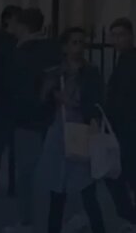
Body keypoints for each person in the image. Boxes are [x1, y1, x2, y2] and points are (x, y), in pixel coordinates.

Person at [39, 27, 105, 233]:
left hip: (82, 130)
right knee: (57, 189)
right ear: (65, 46)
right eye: (74, 42)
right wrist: (51, 93)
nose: (78, 47)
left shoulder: (91, 72)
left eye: (81, 42)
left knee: (87, 189)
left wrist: (73, 104)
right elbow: (41, 101)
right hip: (59, 131)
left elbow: (96, 101)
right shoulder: (55, 72)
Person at [4, 7, 62, 233]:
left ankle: (28, 221)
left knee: (27, 173)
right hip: (48, 117)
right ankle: (46, 219)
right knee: (47, 171)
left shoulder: (24, 52)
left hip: (27, 118)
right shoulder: (51, 48)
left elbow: (19, 87)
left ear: (22, 26)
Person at [104, 17, 136, 232]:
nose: (117, 40)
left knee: (131, 173)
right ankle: (135, 216)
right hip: (121, 128)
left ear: (130, 35)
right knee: (126, 173)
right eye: (114, 36)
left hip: (132, 128)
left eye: (121, 35)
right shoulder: (123, 59)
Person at [0, 5, 22, 199]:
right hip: (2, 99)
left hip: (11, 99)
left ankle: (8, 186)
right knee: (0, 146)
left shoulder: (17, 42)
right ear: (8, 20)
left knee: (10, 147)